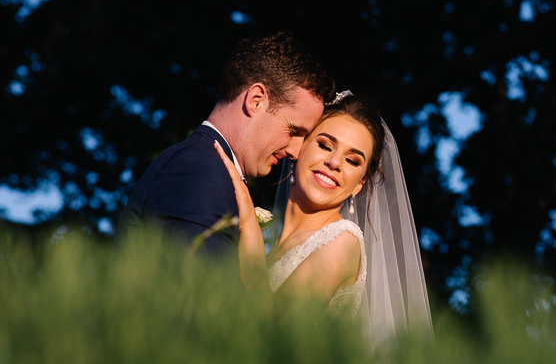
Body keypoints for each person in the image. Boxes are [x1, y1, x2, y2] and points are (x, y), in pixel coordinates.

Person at [215, 93, 433, 345]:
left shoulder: (343, 243)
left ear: (358, 185)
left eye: (352, 160)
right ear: (299, 149)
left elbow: (275, 331)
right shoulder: (265, 229)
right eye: (325, 145)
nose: (334, 162)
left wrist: (249, 231)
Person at [120, 30, 335, 262]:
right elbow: (200, 293)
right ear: (256, 100)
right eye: (294, 131)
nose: (295, 151)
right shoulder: (197, 170)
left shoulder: (209, 169)